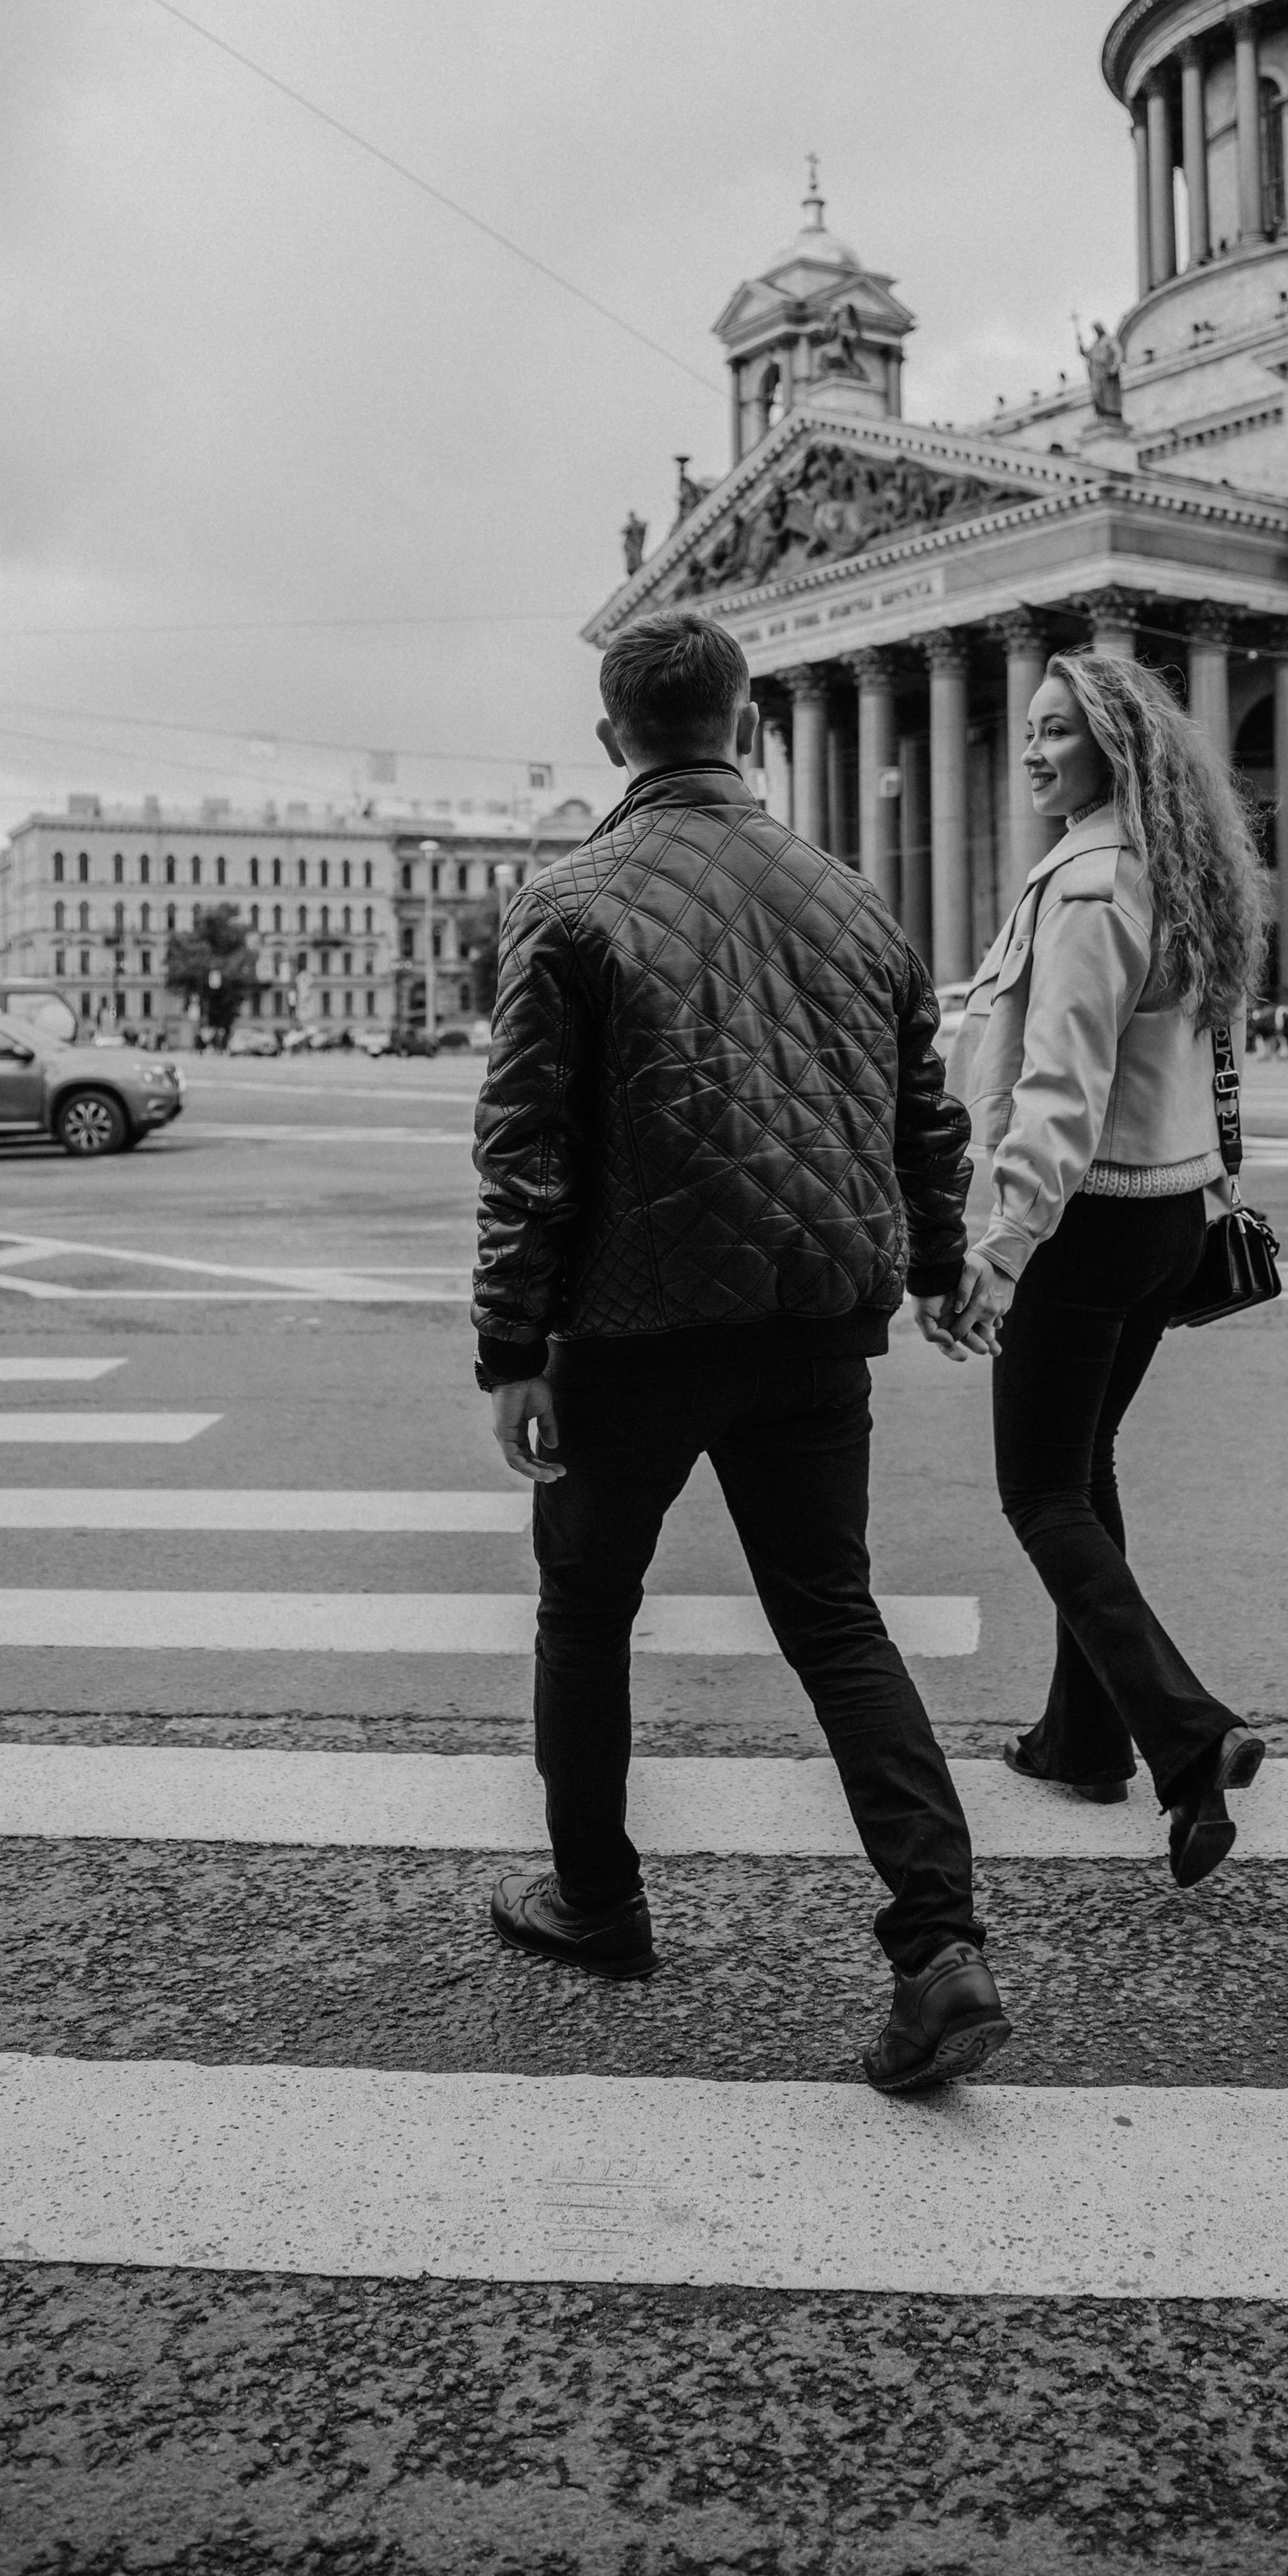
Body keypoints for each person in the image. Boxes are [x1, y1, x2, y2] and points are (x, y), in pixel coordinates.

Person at [471, 610, 1011, 2093]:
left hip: (630, 1334)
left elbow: (526, 1149)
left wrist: (513, 1344)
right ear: (751, 725)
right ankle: (939, 1946)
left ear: (610, 738)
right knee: (836, 1621)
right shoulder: (852, 901)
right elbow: (929, 1119)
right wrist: (941, 1267)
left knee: (586, 1612)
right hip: (813, 1328)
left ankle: (598, 1900)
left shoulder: (568, 904)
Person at [932, 649, 1268, 1885]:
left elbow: (1059, 1087)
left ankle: (1189, 1737)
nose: (1031, 751)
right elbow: (1217, 1063)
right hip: (1165, 1211)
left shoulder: (1086, 883)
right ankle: (1083, 1736)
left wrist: (1003, 1247)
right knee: (1086, 1465)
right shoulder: (1173, 865)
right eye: (1027, 729)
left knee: (1039, 1494)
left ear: (1113, 749)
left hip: (1086, 1219)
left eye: (1058, 733)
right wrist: (1218, 1182)